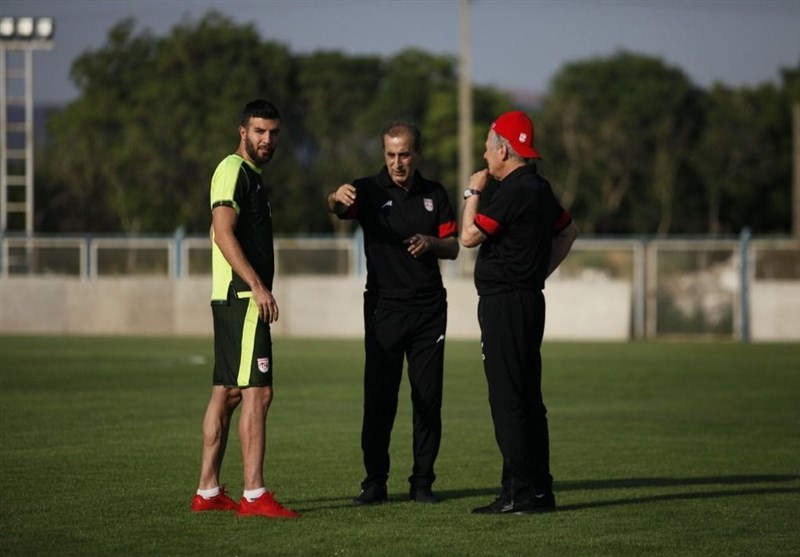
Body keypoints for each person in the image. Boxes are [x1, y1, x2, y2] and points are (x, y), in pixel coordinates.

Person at [327, 122, 459, 505]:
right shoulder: (367, 189)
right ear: (384, 154)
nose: (397, 162)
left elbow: (453, 247)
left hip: (429, 311)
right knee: (380, 398)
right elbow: (337, 207)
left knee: (427, 398)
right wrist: (334, 196)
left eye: (404, 154)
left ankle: (422, 482)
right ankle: (374, 482)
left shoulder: (435, 193)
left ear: (417, 154)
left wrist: (432, 242)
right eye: (390, 155)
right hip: (384, 309)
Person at [460, 110, 578, 515]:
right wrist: (537, 273)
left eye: (489, 144)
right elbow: (569, 231)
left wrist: (472, 192)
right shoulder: (539, 189)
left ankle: (523, 493)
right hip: (527, 299)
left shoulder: (510, 190)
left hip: (505, 304)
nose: (484, 153)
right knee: (528, 399)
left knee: (507, 399)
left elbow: (468, 236)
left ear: (504, 149)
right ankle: (530, 490)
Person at [190, 99, 299, 519]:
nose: (266, 139)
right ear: (242, 132)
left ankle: (208, 489)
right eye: (258, 131)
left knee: (229, 392)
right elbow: (222, 233)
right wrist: (257, 287)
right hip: (242, 297)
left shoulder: (252, 176)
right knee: (260, 392)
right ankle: (254, 495)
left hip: (234, 298)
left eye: (273, 133)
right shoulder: (232, 171)